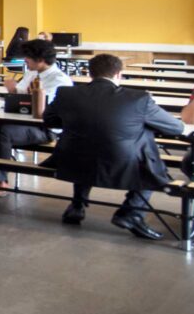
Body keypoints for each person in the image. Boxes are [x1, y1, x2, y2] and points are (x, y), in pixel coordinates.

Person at [42, 54, 184, 239]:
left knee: (89, 143)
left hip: (71, 158)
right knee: (151, 164)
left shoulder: (67, 94)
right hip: (121, 162)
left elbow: (49, 119)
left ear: (89, 73)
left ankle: (77, 206)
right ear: (119, 74)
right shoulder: (138, 99)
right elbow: (176, 127)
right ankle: (131, 213)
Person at [0, 39, 73, 196]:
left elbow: (42, 107)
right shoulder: (32, 73)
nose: (24, 60)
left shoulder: (59, 80)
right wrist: (13, 91)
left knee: (1, 132)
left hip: (45, 128)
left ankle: (0, 181)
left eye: (27, 56)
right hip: (22, 121)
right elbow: (21, 99)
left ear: (40, 60)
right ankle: (0, 177)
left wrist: (16, 92)